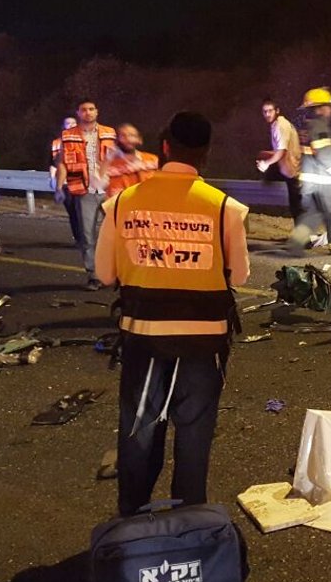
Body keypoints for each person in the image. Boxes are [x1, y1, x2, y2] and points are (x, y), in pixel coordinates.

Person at [95, 111, 250, 516]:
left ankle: (132, 516)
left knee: (140, 429)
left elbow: (105, 274)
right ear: (206, 152)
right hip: (203, 341)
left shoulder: (122, 203)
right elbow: (240, 275)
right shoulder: (225, 208)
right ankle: (189, 519)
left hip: (143, 336)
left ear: (165, 147)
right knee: (194, 433)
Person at [56, 100, 115, 290]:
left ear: (97, 111)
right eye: (84, 110)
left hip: (109, 190)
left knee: (114, 234)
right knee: (87, 235)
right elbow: (63, 163)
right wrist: (59, 187)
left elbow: (118, 160)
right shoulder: (68, 136)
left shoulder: (109, 133)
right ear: (78, 113)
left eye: (91, 109)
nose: (88, 113)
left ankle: (115, 272)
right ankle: (93, 275)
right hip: (84, 190)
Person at [287, 86, 331, 255]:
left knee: (312, 215)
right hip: (324, 182)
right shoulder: (320, 127)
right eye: (328, 106)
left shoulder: (305, 127)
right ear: (319, 108)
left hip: (308, 182)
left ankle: (295, 243)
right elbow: (325, 153)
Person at [256, 99, 303, 223]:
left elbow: (282, 151)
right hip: (289, 168)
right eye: (265, 111)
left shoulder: (280, 126)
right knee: (296, 205)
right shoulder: (278, 124)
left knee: (296, 207)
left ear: (277, 111)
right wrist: (267, 156)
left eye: (270, 111)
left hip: (292, 170)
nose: (267, 114)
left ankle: (304, 234)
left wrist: (266, 163)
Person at [50, 117, 82, 250]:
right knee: (73, 213)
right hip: (65, 184)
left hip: (82, 182)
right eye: (68, 123)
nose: (71, 125)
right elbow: (53, 164)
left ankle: (87, 239)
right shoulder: (56, 143)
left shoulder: (85, 140)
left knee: (83, 212)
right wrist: (54, 182)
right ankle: (79, 239)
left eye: (73, 123)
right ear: (63, 127)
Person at [104, 123, 159, 199]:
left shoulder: (153, 160)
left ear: (139, 140)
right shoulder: (108, 165)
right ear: (116, 140)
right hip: (122, 204)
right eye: (123, 136)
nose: (128, 139)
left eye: (132, 135)